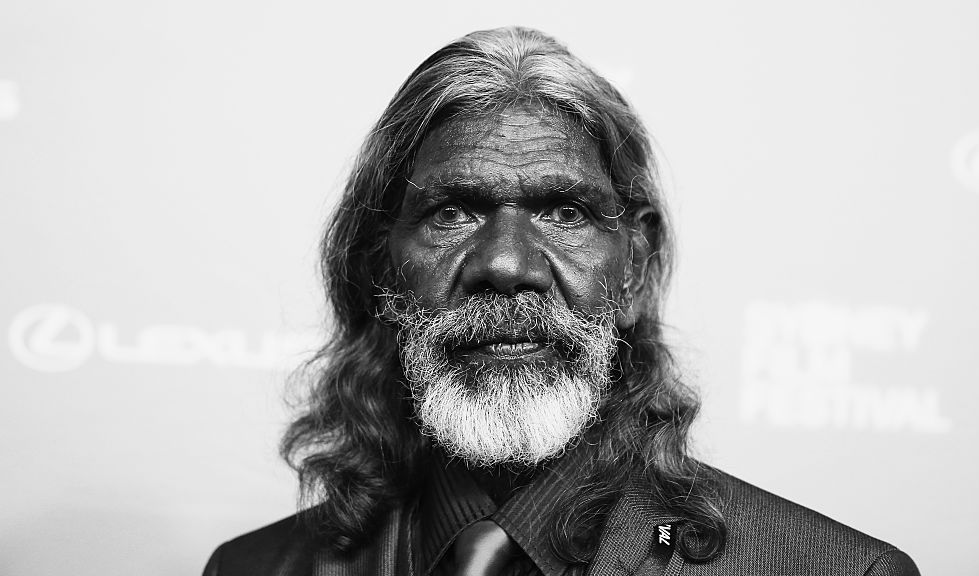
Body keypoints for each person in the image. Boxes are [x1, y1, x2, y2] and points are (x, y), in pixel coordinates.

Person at [202, 27, 919, 576]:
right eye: (452, 212)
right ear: (378, 265)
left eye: (564, 212)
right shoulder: (250, 569)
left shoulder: (834, 571)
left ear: (634, 267)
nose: (506, 265)